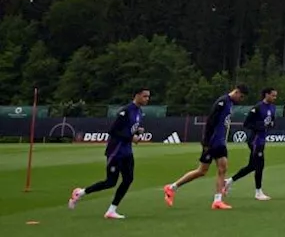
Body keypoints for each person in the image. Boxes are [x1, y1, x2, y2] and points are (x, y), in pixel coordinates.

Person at [69, 87, 150, 219]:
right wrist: (131, 137)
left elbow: (130, 130)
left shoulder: (139, 112)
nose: (147, 99)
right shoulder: (126, 111)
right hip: (115, 151)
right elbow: (113, 131)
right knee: (110, 182)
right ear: (137, 95)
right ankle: (81, 193)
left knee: (128, 179)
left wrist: (137, 132)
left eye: (148, 96)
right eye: (145, 96)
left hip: (127, 152)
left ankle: (112, 210)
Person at [164, 84, 248, 209]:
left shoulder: (230, 103)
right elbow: (211, 121)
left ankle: (217, 200)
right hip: (213, 141)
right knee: (202, 171)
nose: (240, 100)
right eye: (241, 97)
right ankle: (171, 188)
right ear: (236, 92)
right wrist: (206, 142)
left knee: (222, 168)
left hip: (220, 142)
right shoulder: (222, 102)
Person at [225, 87, 278, 201]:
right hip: (255, 140)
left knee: (252, 166)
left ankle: (229, 181)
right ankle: (258, 192)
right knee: (260, 165)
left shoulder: (273, 108)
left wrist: (270, 125)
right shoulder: (257, 108)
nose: (275, 98)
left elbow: (271, 121)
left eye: (275, 96)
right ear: (266, 95)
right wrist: (260, 126)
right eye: (273, 95)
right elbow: (247, 124)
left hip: (262, 140)